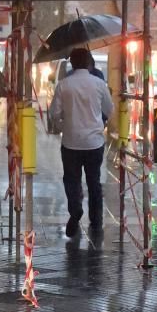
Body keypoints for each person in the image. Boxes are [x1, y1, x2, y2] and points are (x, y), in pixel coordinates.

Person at [49, 48, 113, 238]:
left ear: (72, 64)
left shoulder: (63, 85)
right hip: (94, 142)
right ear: (89, 63)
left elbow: (54, 114)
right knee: (94, 181)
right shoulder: (100, 84)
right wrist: (99, 123)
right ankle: (96, 221)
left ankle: (75, 211)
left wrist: (63, 126)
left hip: (70, 142)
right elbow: (109, 110)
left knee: (72, 180)